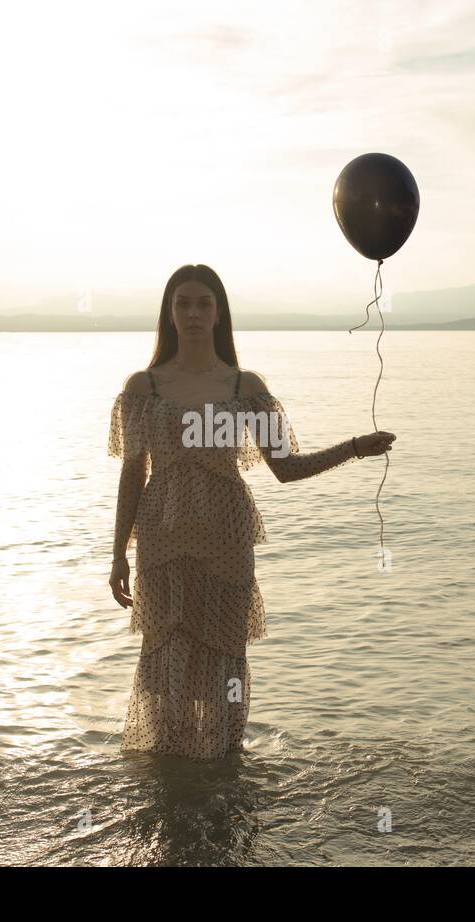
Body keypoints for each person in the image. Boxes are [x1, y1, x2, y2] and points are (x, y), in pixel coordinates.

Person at [108, 264, 395, 759]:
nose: (194, 313)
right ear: (169, 314)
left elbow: (286, 467)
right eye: (183, 304)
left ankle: (222, 774)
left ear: (219, 313)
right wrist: (118, 556)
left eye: (204, 304)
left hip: (226, 539)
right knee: (166, 660)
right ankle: (167, 781)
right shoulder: (143, 388)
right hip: (162, 540)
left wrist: (354, 447)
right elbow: (132, 476)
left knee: (223, 660)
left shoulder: (244, 386)